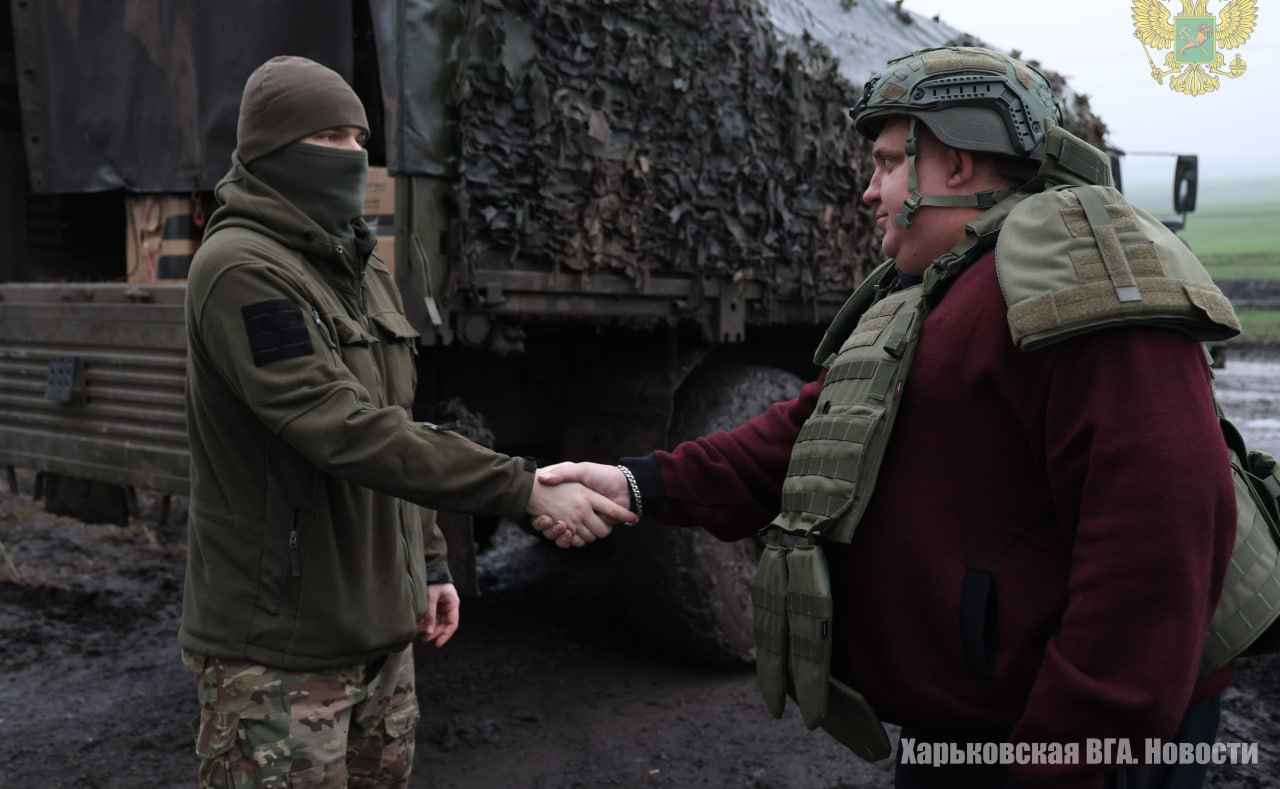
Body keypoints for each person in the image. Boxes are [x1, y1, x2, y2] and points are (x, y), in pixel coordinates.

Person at [537, 46, 1242, 788]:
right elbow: (813, 434)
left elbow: (1157, 545)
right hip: (976, 730)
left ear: (956, 164)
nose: (870, 192)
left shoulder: (1083, 285)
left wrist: (1067, 754)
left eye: (884, 163)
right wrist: (638, 483)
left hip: (1061, 744)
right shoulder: (942, 289)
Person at [179, 55, 634, 787]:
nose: (356, 157)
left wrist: (425, 563)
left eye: (361, 139)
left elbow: (398, 420)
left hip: (383, 640)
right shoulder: (242, 269)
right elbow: (343, 429)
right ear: (271, 151)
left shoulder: (360, 268)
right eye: (331, 138)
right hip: (279, 654)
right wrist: (522, 487)